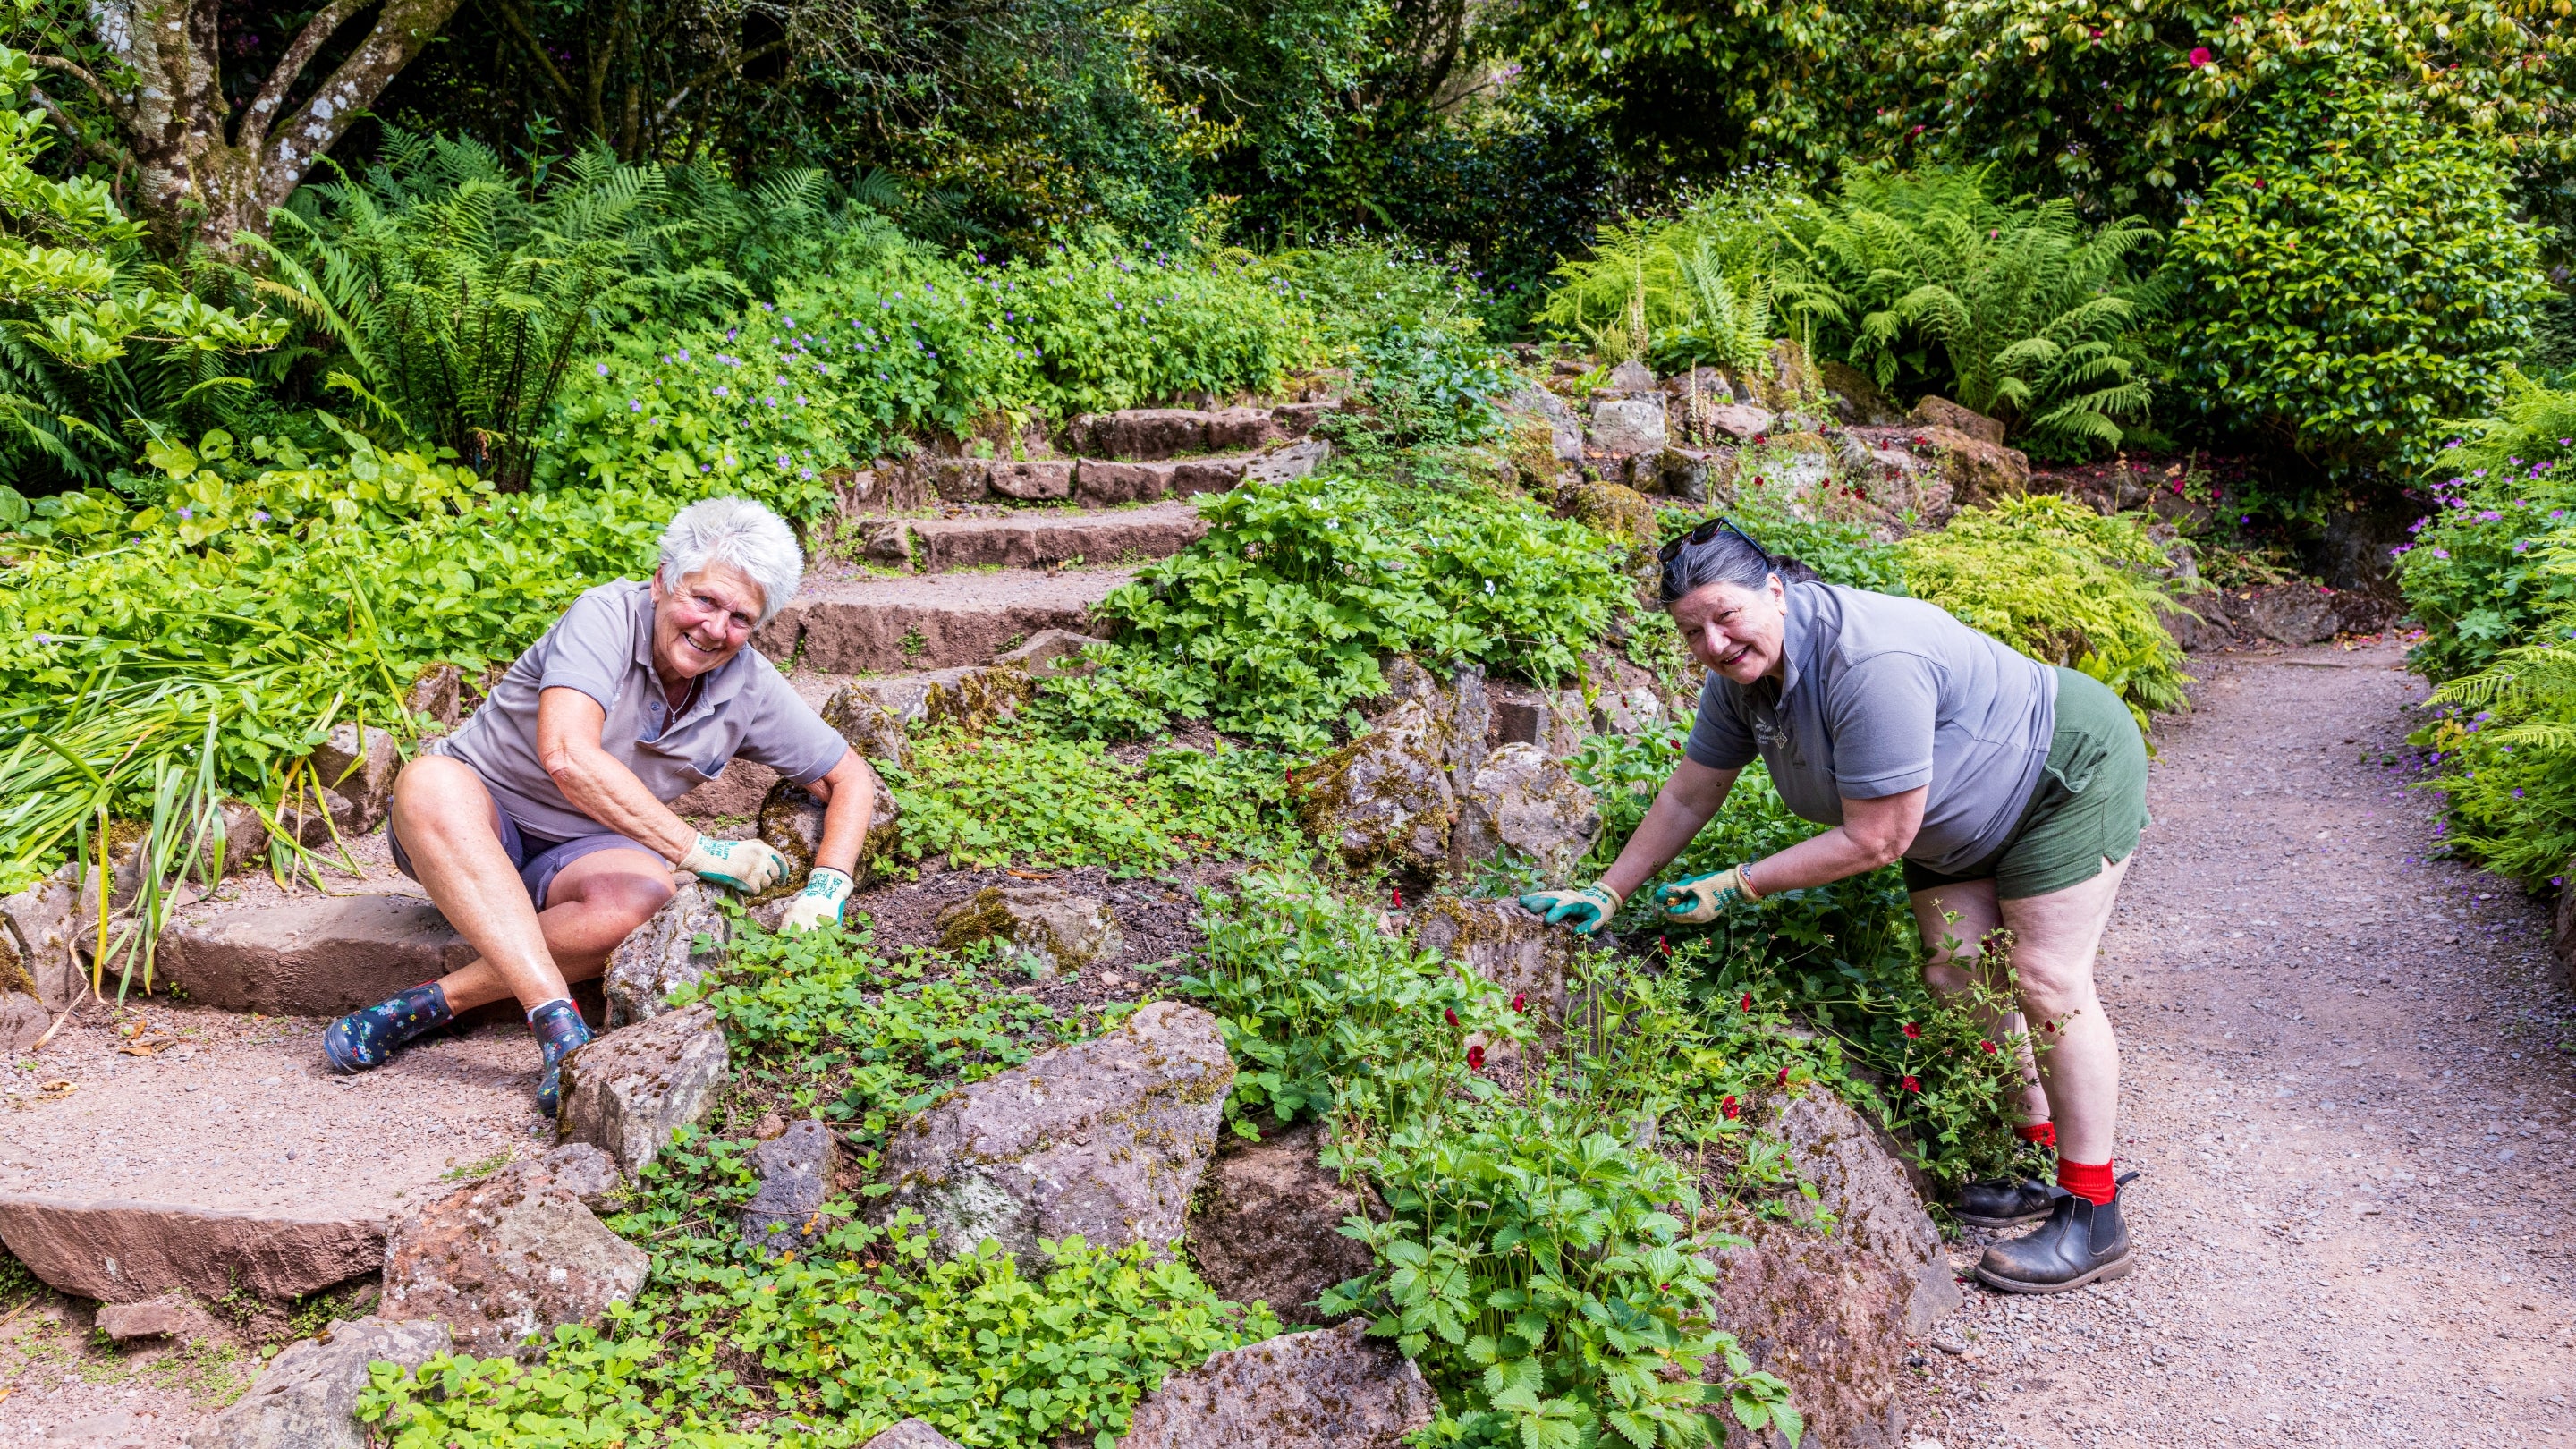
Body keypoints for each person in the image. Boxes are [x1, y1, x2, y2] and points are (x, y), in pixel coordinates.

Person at [1520, 518, 2150, 1294]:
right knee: (1957, 974)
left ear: (1776, 591)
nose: (1715, 643)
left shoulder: (1867, 659)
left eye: (1727, 615)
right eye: (1693, 632)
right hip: (1959, 817)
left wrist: (1738, 883)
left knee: (2044, 978)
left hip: (2061, 772)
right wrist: (1610, 888)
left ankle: (2094, 1213)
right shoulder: (1740, 681)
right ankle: (2036, 1154)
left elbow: (1880, 837)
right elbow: (1691, 791)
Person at [321, 496, 878, 1113]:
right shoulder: (606, 616)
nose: (716, 628)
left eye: (741, 617)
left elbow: (851, 778)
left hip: (582, 853)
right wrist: (700, 850)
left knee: (647, 894)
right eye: (705, 601)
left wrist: (827, 888)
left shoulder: (749, 684)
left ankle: (433, 1003)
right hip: (473, 824)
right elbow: (567, 755)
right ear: (665, 581)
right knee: (427, 779)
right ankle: (558, 1027)